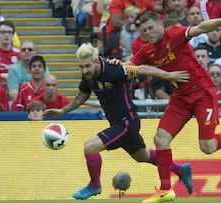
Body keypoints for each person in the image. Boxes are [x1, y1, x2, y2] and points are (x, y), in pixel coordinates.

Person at [43, 43, 193, 200]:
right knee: (142, 156)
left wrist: (169, 76)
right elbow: (82, 95)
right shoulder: (88, 74)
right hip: (119, 124)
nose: (84, 70)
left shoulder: (113, 69)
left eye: (87, 66)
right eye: (81, 67)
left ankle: (94, 185)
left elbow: (141, 69)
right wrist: (62, 111)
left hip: (127, 122)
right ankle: (180, 169)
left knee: (90, 147)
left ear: (96, 60)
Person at [126, 11, 221, 203]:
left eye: (150, 28)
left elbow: (200, 28)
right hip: (180, 97)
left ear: (159, 24)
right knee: (160, 139)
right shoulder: (146, 51)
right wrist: (112, 65)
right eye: (143, 31)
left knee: (207, 147)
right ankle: (165, 189)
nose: (148, 33)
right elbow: (129, 67)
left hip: (202, 93)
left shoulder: (174, 34)